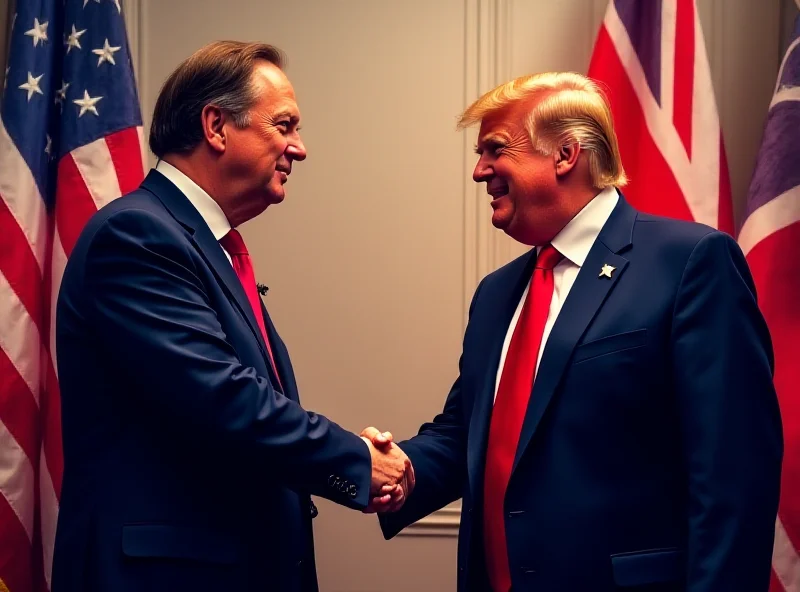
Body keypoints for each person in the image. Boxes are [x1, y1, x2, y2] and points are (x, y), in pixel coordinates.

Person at [366, 71, 783, 591]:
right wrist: (394, 469)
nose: (479, 172)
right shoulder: (497, 295)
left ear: (564, 155)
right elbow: (465, 435)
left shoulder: (689, 263)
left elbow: (734, 479)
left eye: (495, 149)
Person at [52, 41, 412, 592]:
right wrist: (357, 461)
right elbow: (224, 399)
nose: (300, 148)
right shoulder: (137, 235)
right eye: (285, 125)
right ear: (217, 126)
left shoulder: (203, 244)